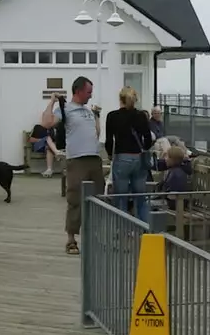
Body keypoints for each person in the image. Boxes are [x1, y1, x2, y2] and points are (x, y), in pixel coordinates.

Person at [43, 77, 103, 254]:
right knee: (75, 199)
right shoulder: (66, 109)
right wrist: (52, 101)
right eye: (88, 92)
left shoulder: (87, 111)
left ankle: (95, 236)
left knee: (98, 198)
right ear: (78, 91)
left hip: (94, 158)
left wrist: (97, 116)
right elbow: (46, 123)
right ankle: (71, 239)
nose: (90, 95)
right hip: (76, 160)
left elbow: (96, 133)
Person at [105, 86, 155, 224]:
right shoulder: (141, 116)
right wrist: (143, 150)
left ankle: (122, 227)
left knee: (121, 196)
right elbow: (148, 139)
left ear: (120, 99)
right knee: (140, 196)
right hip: (138, 158)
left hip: (121, 157)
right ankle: (144, 227)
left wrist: (110, 155)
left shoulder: (112, 116)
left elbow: (109, 140)